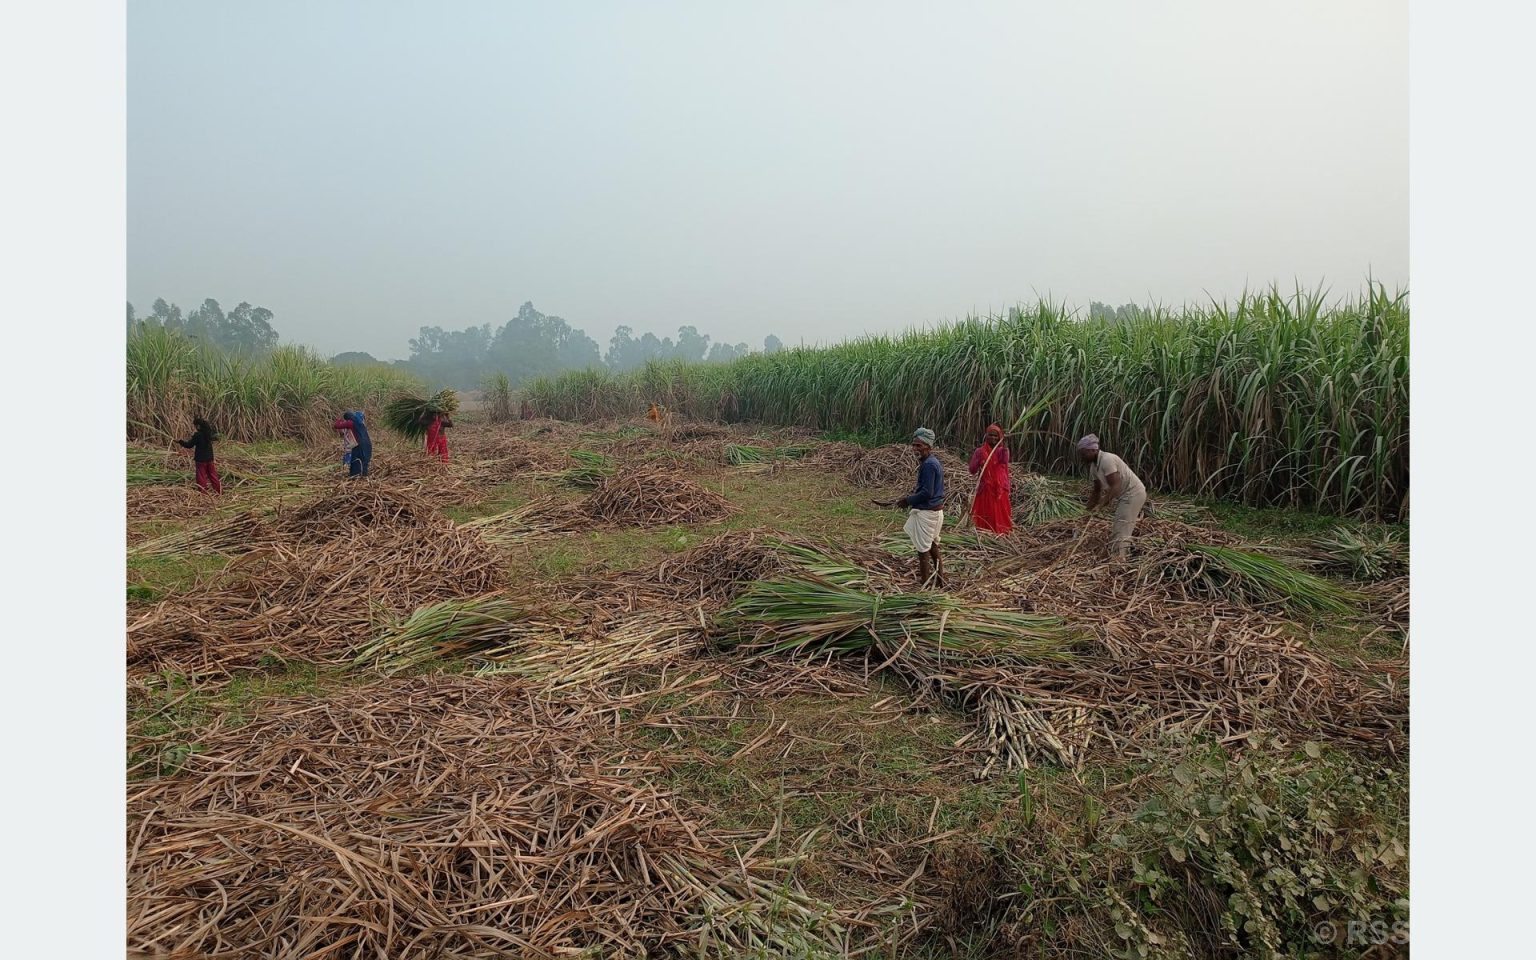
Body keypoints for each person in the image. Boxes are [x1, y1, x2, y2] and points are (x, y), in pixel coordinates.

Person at [877, 427, 945, 587]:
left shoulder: (929, 465)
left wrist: (907, 500)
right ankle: (940, 581)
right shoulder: (931, 462)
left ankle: (924, 585)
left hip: (928, 513)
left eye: (919, 446)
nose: (915, 449)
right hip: (935, 511)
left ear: (928, 446)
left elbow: (927, 493)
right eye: (914, 445)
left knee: (923, 552)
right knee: (933, 547)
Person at [1078, 434, 1147, 560]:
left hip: (1133, 494)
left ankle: (1119, 561)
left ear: (1093, 450)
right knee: (1120, 525)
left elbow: (1116, 486)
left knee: (1121, 528)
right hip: (1125, 496)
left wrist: (1100, 505)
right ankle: (1121, 555)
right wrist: (1087, 511)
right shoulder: (1094, 467)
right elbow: (1096, 491)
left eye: (1084, 453)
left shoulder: (1107, 460)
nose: (1082, 457)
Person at [967, 423, 1013, 535]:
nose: (993, 438)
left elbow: (1004, 461)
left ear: (1000, 437)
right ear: (986, 436)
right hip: (986, 489)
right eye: (990, 435)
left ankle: (1001, 532)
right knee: (986, 512)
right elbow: (972, 469)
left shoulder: (1002, 451)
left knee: (1001, 512)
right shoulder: (980, 452)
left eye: (996, 436)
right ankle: (985, 532)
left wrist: (1004, 445)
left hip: (999, 489)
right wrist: (980, 462)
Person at [177, 416, 221, 494]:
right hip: (210, 459)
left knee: (201, 476)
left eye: (195, 426)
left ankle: (203, 493)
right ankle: (218, 491)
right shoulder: (209, 434)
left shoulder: (198, 435)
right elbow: (217, 437)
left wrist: (180, 442)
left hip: (201, 460)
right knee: (213, 475)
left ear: (198, 426)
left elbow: (189, 445)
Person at [334, 411, 372, 477]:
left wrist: (338, 420)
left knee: (356, 461)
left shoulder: (350, 423)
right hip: (367, 444)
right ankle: (363, 475)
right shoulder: (360, 422)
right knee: (364, 460)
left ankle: (355, 476)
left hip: (359, 445)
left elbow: (337, 426)